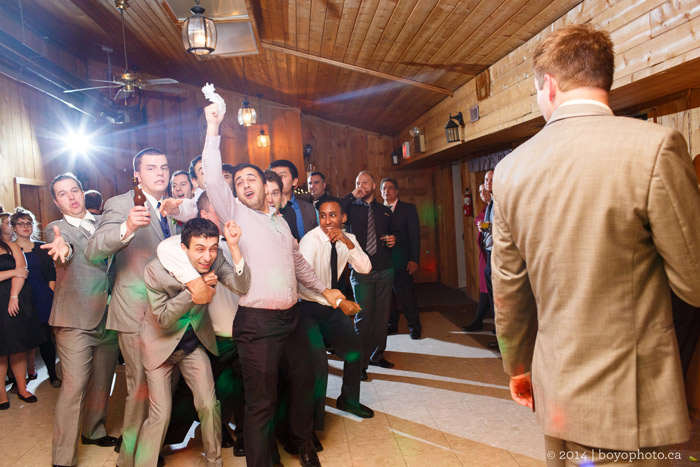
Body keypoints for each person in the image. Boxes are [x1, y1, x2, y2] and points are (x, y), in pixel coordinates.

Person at [492, 24, 700, 464]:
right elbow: (695, 281)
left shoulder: (510, 170)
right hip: (630, 404)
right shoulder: (655, 147)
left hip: (555, 394)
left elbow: (509, 292)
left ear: (548, 85)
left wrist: (517, 368)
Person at [200, 103, 344, 467]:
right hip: (258, 324)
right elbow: (215, 178)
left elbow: (297, 264)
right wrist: (213, 126)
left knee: (303, 379)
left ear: (268, 188)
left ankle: (302, 441)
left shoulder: (279, 223)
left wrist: (325, 290)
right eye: (240, 182)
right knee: (260, 400)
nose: (245, 184)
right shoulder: (236, 214)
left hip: (291, 319)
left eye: (252, 180)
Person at [135, 217, 250, 467]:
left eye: (212, 248)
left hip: (193, 345)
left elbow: (242, 285)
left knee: (209, 405)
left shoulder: (215, 257)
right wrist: (193, 291)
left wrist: (233, 247)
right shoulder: (155, 270)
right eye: (199, 249)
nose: (207, 256)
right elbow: (164, 319)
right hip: (160, 347)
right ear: (183, 248)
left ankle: (214, 462)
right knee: (160, 414)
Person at [85, 148, 173, 467]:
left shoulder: (171, 206)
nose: (160, 173)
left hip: (170, 313)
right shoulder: (121, 204)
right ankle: (128, 460)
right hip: (135, 312)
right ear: (138, 175)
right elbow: (94, 250)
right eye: (151, 168)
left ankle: (148, 453)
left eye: (164, 167)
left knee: (162, 389)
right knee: (139, 390)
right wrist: (127, 228)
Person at [159, 192, 248, 456]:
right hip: (212, 332)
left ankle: (243, 434)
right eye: (222, 212)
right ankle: (213, 432)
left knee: (243, 387)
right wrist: (197, 283)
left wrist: (233, 246)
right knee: (208, 391)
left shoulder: (232, 243)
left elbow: (242, 284)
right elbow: (166, 248)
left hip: (241, 328)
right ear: (205, 216)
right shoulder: (189, 248)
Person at [41, 173, 120, 467]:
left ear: (83, 191)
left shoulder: (104, 225)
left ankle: (94, 430)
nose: (72, 197)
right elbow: (63, 253)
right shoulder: (55, 229)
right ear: (56, 201)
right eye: (63, 193)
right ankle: (62, 458)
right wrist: (62, 251)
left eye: (75, 190)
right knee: (74, 387)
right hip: (74, 319)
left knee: (103, 381)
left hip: (109, 315)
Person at [298, 198, 374, 431]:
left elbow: (365, 267)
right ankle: (312, 424)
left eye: (333, 215)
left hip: (331, 308)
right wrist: (340, 301)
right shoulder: (310, 241)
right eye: (323, 215)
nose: (327, 221)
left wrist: (349, 244)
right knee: (318, 366)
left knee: (355, 352)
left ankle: (348, 400)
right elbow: (304, 282)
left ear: (343, 218)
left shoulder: (348, 238)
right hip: (308, 308)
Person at [341, 171, 397, 380]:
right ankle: (361, 363)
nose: (361, 185)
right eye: (357, 182)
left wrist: (394, 238)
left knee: (382, 316)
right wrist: (351, 195)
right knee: (363, 317)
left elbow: (397, 233)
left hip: (384, 269)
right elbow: (333, 208)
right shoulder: (349, 209)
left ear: (373, 186)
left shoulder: (384, 211)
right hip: (361, 271)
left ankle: (377, 355)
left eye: (365, 182)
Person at [10, 208, 59, 387]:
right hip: (22, 298)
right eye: (21, 224)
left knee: (46, 338)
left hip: (42, 296)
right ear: (13, 227)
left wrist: (50, 291)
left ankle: (53, 375)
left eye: (29, 223)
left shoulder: (40, 246)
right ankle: (18, 381)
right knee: (22, 340)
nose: (26, 226)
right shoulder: (9, 249)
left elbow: (51, 273)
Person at [0, 211, 42, 408]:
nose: (9, 226)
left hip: (14, 298)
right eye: (7, 223)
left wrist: (14, 296)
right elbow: (15, 270)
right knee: (1, 349)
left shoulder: (12, 246)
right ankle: (1, 393)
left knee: (18, 346)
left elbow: (22, 270)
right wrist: (12, 272)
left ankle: (22, 387)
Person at [381, 178, 422, 340]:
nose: (387, 191)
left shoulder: (408, 209)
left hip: (402, 259)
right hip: (383, 260)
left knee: (406, 295)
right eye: (384, 188)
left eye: (390, 188)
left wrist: (414, 259)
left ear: (397, 191)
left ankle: (415, 326)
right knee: (388, 296)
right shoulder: (377, 210)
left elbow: (414, 236)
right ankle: (392, 324)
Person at [462, 183, 493, 332]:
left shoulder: (495, 206)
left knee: (492, 290)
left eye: (484, 190)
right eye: (480, 191)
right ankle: (479, 320)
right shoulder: (486, 208)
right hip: (485, 253)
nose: (482, 193)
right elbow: (478, 220)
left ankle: (481, 321)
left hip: (494, 253)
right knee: (486, 288)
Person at [269, 159, 317, 240]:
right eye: (273, 177)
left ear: (294, 181)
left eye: (282, 176)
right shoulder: (265, 209)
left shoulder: (309, 209)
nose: (277, 181)